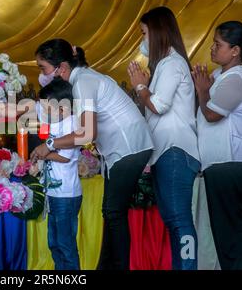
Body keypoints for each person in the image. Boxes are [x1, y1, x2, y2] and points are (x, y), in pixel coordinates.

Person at [30, 38, 154, 270]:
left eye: (42, 68)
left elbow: (87, 133)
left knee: (114, 212)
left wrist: (50, 144)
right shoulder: (83, 79)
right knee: (111, 212)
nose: (42, 74)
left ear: (62, 68)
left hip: (129, 147)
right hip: (121, 150)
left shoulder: (83, 82)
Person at [127, 6, 200, 270]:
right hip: (167, 152)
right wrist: (144, 87)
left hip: (176, 151)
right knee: (173, 220)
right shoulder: (165, 65)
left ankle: (188, 267)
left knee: (179, 219)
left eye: (144, 33)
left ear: (158, 32)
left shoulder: (172, 63)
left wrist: (139, 86)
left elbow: (158, 105)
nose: (141, 40)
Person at [192, 21, 242, 270]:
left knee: (230, 232)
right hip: (220, 163)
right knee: (225, 232)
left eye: (218, 44)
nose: (212, 48)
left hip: (231, 162)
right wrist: (203, 90)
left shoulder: (238, 78)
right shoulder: (219, 75)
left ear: (235, 51)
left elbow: (212, 115)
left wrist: (202, 91)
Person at [35, 77, 82, 270]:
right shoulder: (55, 122)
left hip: (66, 195)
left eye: (47, 109)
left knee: (65, 244)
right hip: (53, 194)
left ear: (62, 108)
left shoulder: (71, 123)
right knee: (54, 243)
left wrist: (43, 154)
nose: (44, 112)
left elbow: (65, 157)